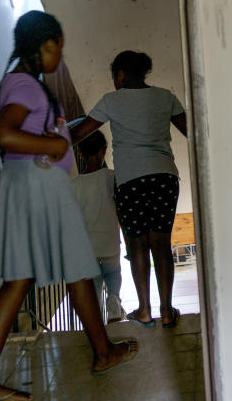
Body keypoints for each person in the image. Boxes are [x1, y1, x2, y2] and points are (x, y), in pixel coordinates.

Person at [0, 11, 137, 401]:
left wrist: (56, 138)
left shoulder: (22, 82)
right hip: (39, 190)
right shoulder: (24, 85)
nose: (60, 55)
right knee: (61, 272)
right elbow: (5, 134)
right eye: (57, 47)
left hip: (35, 188)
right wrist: (56, 145)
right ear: (42, 46)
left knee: (62, 273)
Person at [72, 50, 187, 329]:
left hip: (131, 181)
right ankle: (168, 311)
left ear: (120, 75)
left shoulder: (111, 101)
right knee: (161, 242)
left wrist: (49, 141)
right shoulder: (165, 97)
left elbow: (80, 133)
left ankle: (145, 310)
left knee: (137, 243)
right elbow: (192, 131)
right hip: (163, 177)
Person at [70, 130, 124, 322]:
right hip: (109, 242)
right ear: (104, 150)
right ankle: (114, 299)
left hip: (87, 247)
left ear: (80, 154)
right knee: (114, 274)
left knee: (93, 285)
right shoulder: (112, 178)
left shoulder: (74, 184)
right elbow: (121, 211)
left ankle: (97, 316)